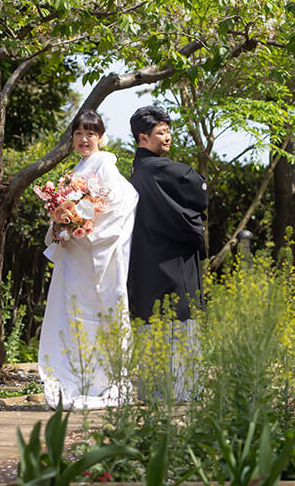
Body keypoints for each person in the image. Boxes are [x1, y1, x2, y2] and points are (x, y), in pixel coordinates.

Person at [38, 109, 136, 410]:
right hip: (75, 256)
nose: (84, 140)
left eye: (90, 134)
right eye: (79, 134)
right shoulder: (78, 168)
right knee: (69, 313)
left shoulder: (104, 163)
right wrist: (61, 222)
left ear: (101, 137)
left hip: (91, 252)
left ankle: (101, 381)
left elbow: (120, 204)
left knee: (95, 313)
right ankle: (72, 377)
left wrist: (84, 227)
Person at [127, 105, 208, 397]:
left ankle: (154, 392)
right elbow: (197, 189)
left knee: (152, 323)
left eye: (168, 131)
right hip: (173, 263)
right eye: (161, 132)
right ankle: (182, 392)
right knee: (178, 322)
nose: (168, 137)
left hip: (145, 264)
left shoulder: (136, 172)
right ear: (143, 138)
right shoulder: (163, 169)